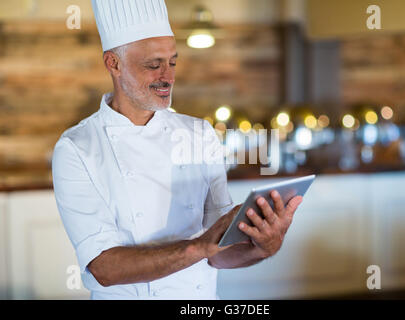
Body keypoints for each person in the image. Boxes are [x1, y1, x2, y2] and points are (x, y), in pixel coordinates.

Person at [52, 0, 303, 300]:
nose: (167, 77)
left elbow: (218, 253)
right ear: (113, 64)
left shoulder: (199, 134)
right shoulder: (77, 148)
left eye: (172, 62)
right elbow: (104, 268)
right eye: (153, 65)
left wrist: (262, 247)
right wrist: (200, 246)